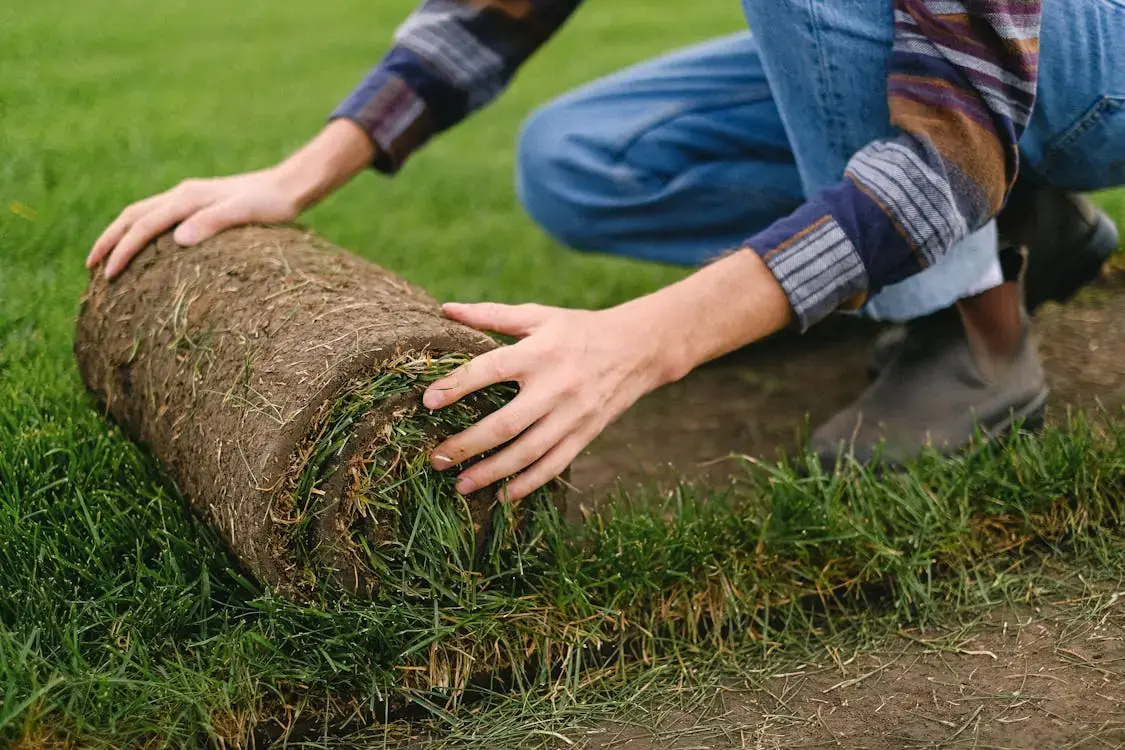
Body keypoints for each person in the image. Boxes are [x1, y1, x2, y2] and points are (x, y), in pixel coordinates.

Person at [87, 0, 1124, 502]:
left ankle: (972, 331)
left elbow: (953, 146)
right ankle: (1021, 229)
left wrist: (645, 341)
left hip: (1079, 58)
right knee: (581, 158)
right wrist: (297, 174)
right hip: (951, 55)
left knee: (947, 161)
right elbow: (493, 12)